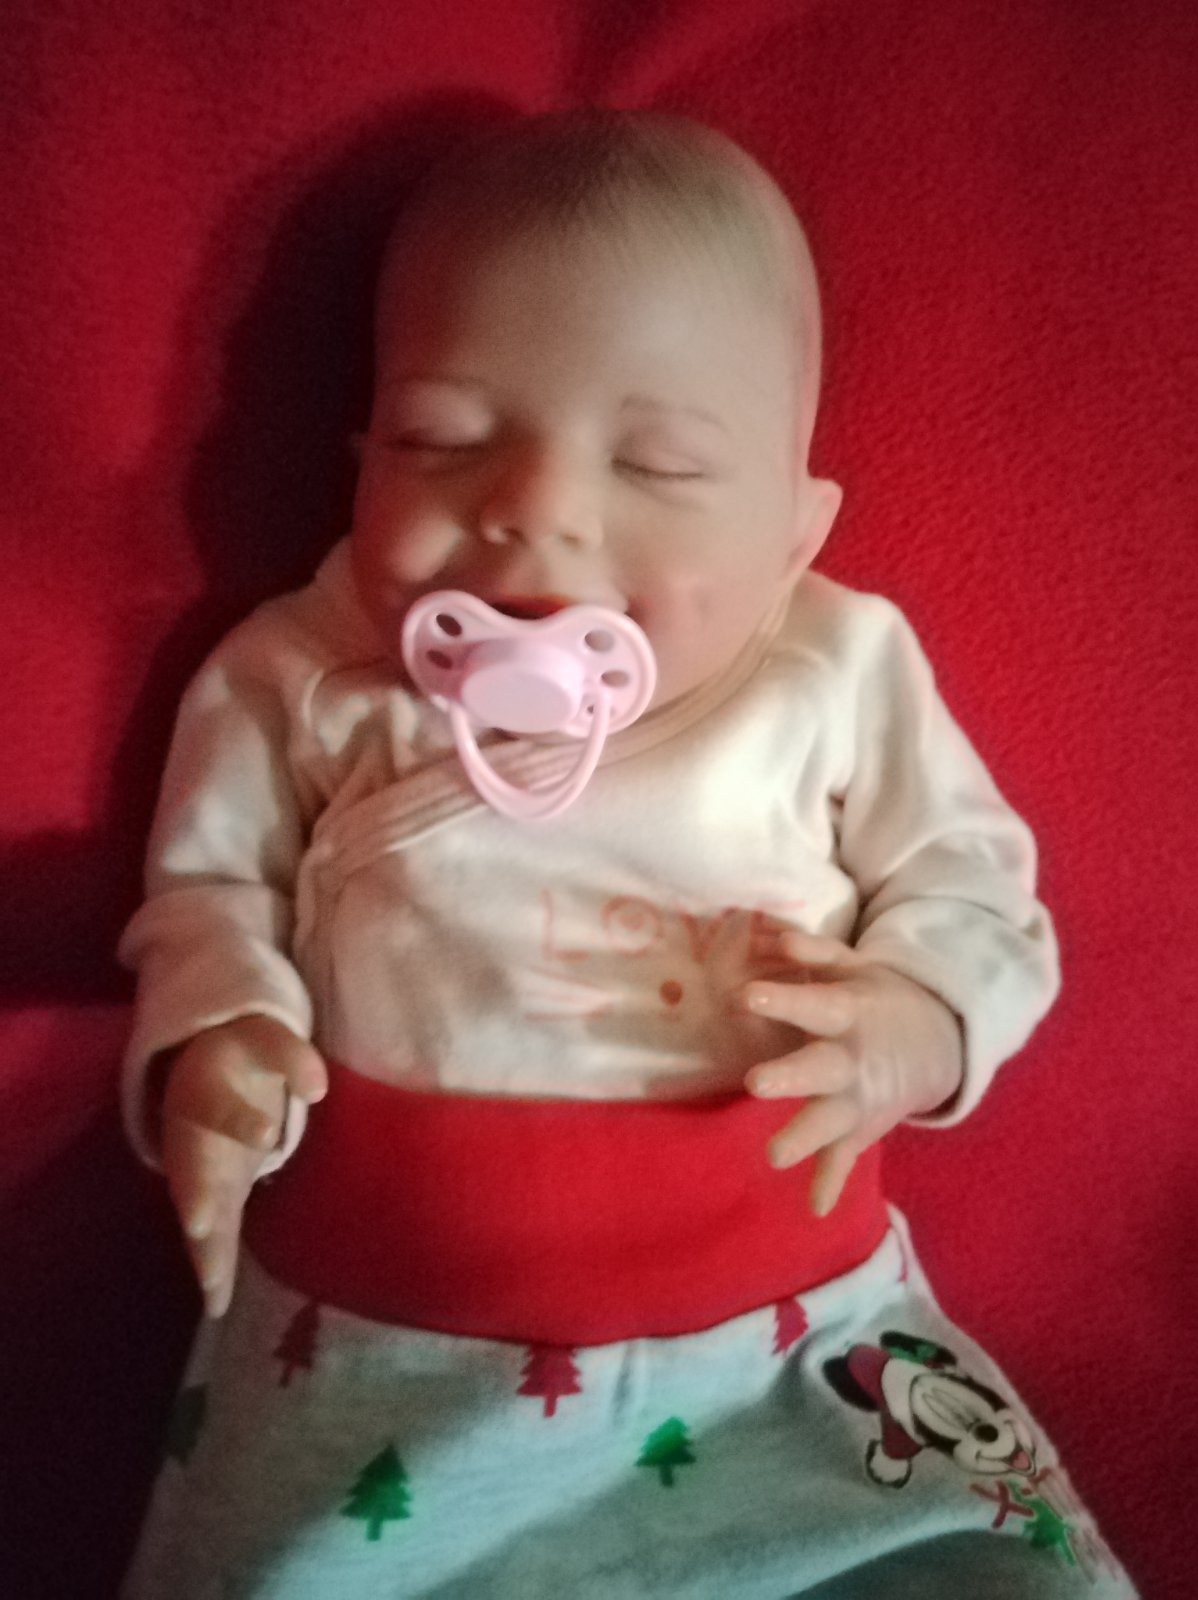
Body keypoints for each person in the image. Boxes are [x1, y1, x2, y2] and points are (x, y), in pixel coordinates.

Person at [117, 109, 1135, 1597]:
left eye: (657, 465)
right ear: (361, 457)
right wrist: (219, 1040)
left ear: (796, 533)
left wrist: (918, 1025)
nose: (535, 509)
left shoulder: (834, 667)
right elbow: (207, 895)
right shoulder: (299, 675)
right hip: (385, 1356)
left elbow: (975, 890)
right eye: (440, 439)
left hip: (786, 1352)